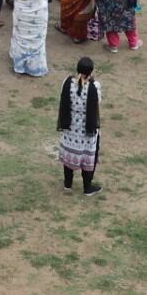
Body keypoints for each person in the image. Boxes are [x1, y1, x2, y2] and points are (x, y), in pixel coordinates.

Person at [56, 57, 103, 194]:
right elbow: (97, 103)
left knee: (69, 154)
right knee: (88, 157)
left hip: (70, 128)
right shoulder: (95, 86)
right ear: (91, 71)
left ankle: (68, 185)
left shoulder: (67, 82)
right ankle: (87, 187)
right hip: (86, 130)